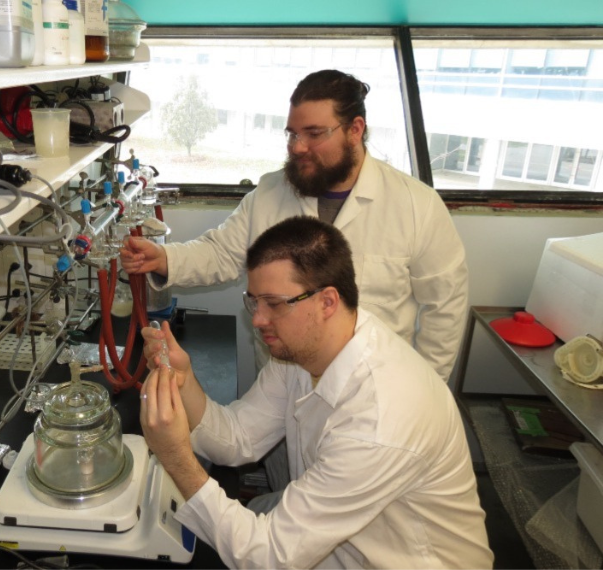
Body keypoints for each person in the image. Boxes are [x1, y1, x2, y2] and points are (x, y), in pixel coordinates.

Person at [139, 216, 492, 569]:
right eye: (254, 302)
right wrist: (183, 381)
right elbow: (238, 438)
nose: (258, 320)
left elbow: (268, 558)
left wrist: (175, 455)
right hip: (343, 542)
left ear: (327, 302)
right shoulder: (303, 351)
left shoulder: (380, 416)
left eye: (274, 303)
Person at [121, 69, 468, 383]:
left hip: (374, 388)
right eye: (292, 134)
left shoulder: (415, 205)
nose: (297, 147)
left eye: (314, 133)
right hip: (284, 385)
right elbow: (223, 253)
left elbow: (445, 308)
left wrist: (425, 388)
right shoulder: (272, 192)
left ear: (355, 130)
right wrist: (163, 258)